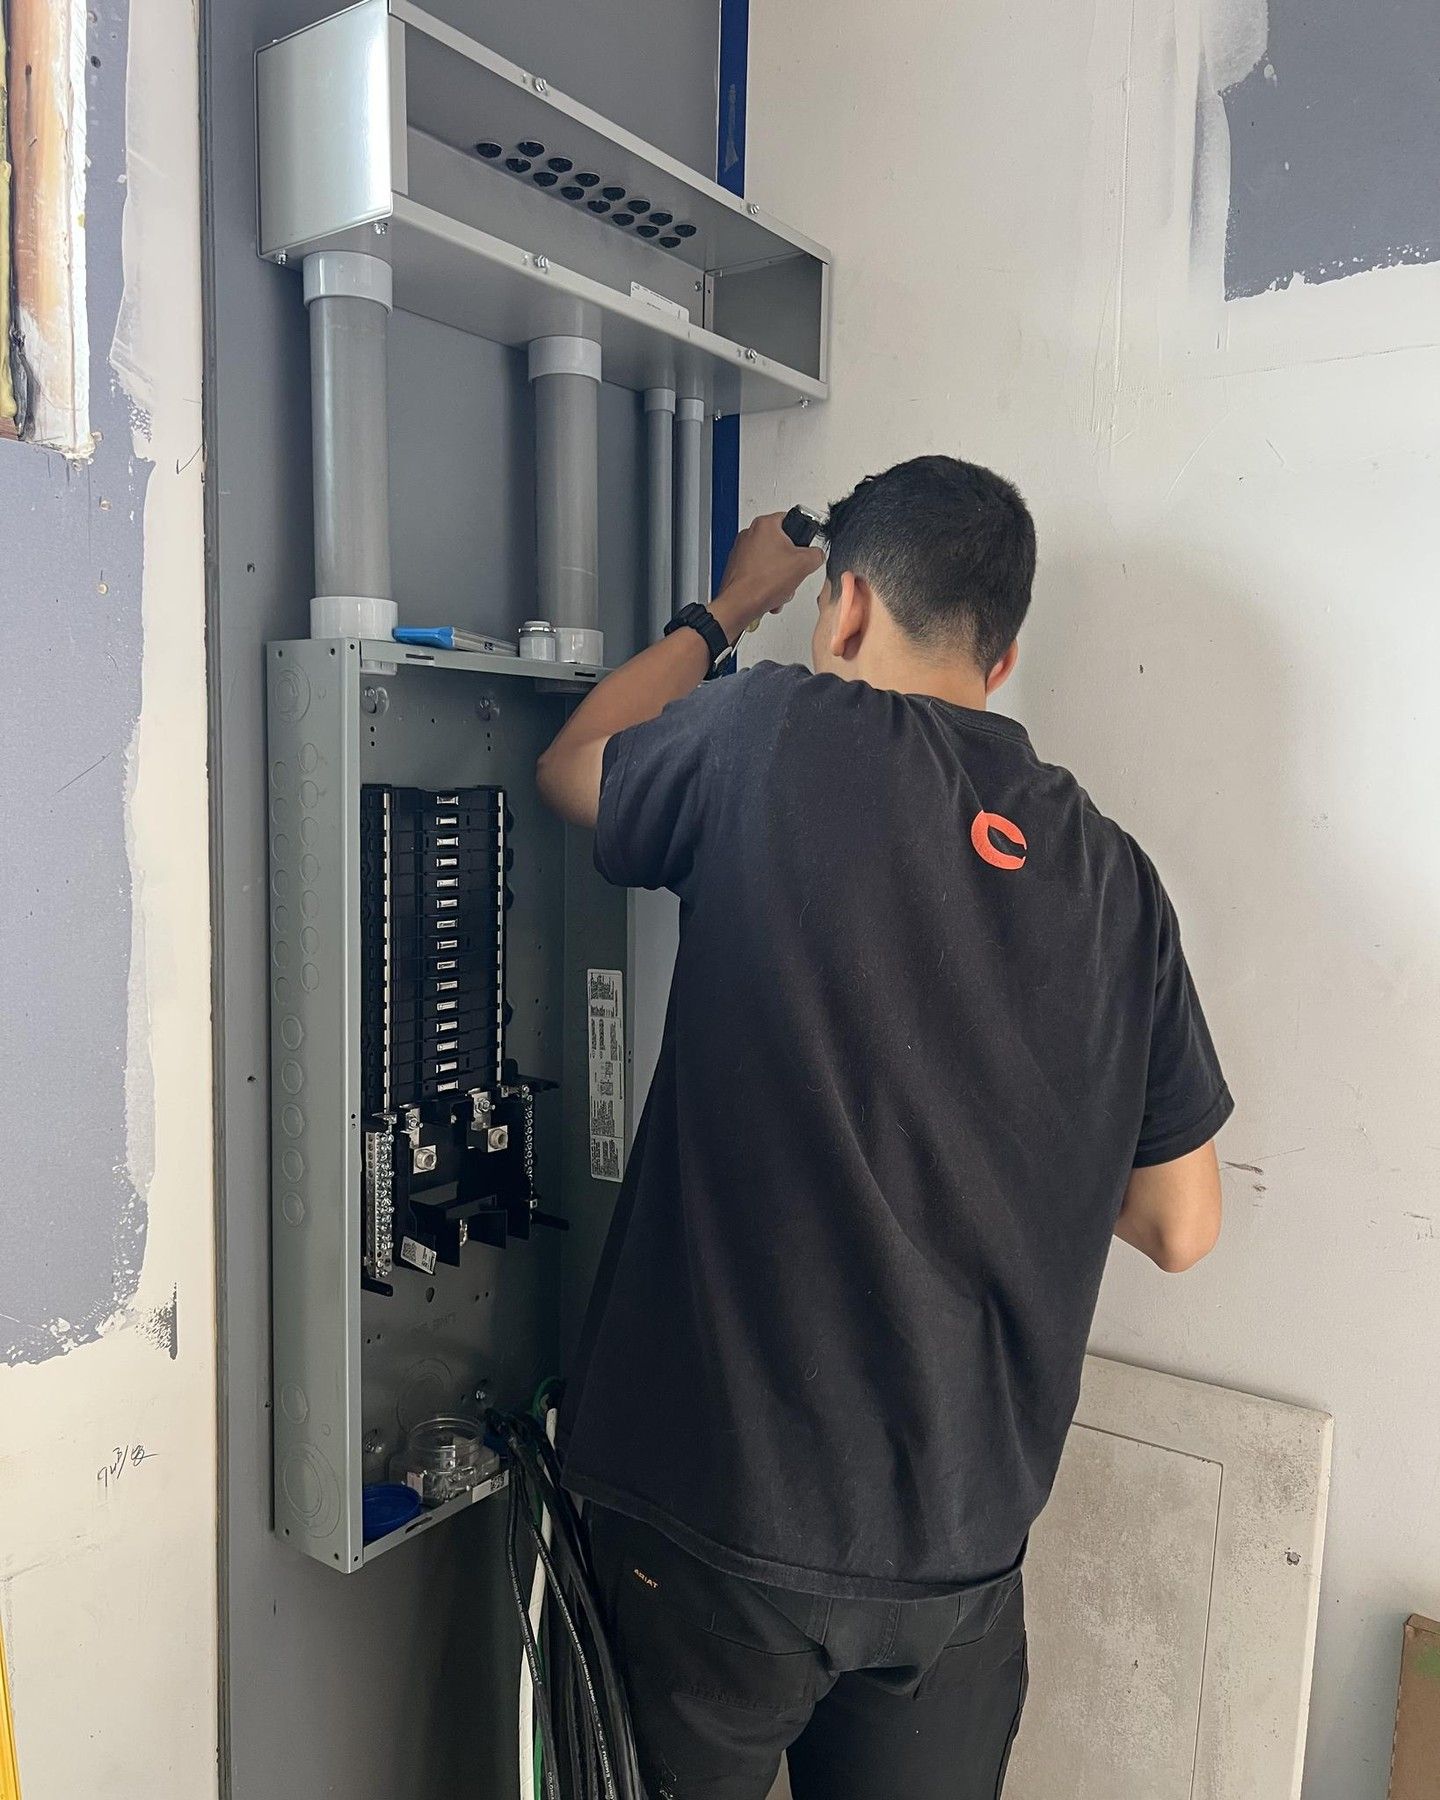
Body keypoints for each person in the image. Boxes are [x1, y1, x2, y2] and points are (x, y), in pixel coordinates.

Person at [536, 455, 1231, 1800]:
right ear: (1006, 658)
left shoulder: (771, 737)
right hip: (958, 1565)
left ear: (845, 608)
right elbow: (1180, 1225)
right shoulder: (1110, 876)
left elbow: (572, 766)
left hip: (715, 1531)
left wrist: (726, 609)